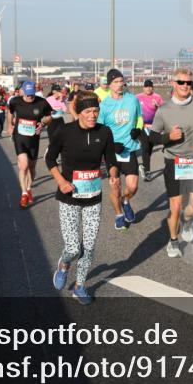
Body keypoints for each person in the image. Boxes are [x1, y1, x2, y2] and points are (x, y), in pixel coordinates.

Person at [46, 91, 119, 305]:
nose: (92, 115)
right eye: (88, 111)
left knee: (89, 245)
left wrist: (114, 176)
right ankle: (64, 265)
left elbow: (111, 160)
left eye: (96, 111)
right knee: (72, 248)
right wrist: (60, 181)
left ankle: (79, 286)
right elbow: (50, 158)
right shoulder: (65, 132)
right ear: (78, 113)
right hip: (69, 196)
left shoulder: (104, 132)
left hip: (93, 197)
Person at [148, 69, 193, 257]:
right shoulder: (164, 110)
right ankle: (173, 241)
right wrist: (168, 137)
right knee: (175, 205)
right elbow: (152, 137)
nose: (185, 86)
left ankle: (187, 221)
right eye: (181, 82)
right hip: (174, 161)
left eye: (188, 83)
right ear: (174, 84)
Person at [97, 69, 144, 230]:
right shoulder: (104, 105)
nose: (119, 84)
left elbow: (139, 117)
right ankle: (118, 215)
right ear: (109, 84)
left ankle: (126, 201)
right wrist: (110, 144)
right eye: (116, 82)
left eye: (121, 81)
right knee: (115, 186)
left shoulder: (132, 100)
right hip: (113, 152)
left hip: (129, 149)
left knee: (133, 187)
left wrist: (137, 129)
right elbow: (100, 129)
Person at [7, 80, 54, 209]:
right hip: (19, 137)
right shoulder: (15, 101)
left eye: (32, 94)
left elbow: (50, 117)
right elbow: (10, 112)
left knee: (32, 169)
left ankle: (28, 188)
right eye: (27, 94)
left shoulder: (42, 102)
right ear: (22, 91)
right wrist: (9, 125)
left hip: (34, 138)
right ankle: (23, 193)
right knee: (24, 165)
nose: (30, 97)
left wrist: (43, 123)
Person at [136, 79, 164, 182]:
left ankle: (143, 165)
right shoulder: (138, 97)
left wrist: (158, 106)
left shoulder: (157, 97)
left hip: (153, 127)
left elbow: (164, 110)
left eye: (150, 86)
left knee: (150, 148)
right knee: (145, 146)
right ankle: (147, 172)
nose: (149, 88)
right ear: (143, 87)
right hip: (142, 126)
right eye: (147, 86)